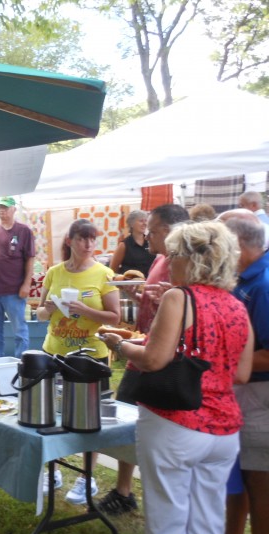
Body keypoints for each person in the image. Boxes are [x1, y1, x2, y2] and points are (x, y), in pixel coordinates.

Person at [100, 219, 253, 534]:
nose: (167, 262)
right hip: (224, 430)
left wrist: (119, 346)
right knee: (207, 520)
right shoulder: (236, 305)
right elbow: (243, 372)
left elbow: (153, 359)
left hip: (176, 424)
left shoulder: (178, 299)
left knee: (167, 520)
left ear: (190, 259)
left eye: (172, 255)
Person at [97, 203, 189, 516]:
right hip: (145, 344)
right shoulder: (162, 257)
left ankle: (147, 495)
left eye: (152, 228)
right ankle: (124, 489)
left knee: (149, 424)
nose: (146, 234)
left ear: (169, 229)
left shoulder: (184, 261)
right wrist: (139, 297)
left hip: (160, 357)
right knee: (127, 416)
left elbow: (185, 305)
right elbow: (161, 300)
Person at [36, 218, 120, 503]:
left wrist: (85, 309)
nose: (88, 245)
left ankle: (87, 477)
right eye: (83, 239)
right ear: (70, 241)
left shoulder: (104, 274)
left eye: (92, 239)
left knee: (91, 418)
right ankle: (55, 469)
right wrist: (47, 309)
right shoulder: (54, 273)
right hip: (55, 352)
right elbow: (40, 315)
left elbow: (115, 318)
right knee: (54, 413)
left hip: (90, 357)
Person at [218, 212, 269, 534]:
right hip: (243, 390)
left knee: (260, 479)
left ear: (237, 243)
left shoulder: (264, 283)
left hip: (260, 394)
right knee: (241, 474)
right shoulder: (246, 277)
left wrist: (218, 357)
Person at [0, 196, 35, 358]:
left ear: (14, 210)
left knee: (19, 329)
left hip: (14, 290)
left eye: (5, 208)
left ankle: (21, 362)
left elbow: (30, 258)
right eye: (0, 208)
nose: (2, 211)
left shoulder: (23, 231)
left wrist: (26, 284)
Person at [109, 209, 154, 275]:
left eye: (145, 221)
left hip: (149, 282)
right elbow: (113, 269)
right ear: (131, 224)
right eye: (141, 221)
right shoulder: (124, 245)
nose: (144, 224)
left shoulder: (151, 242)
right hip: (130, 283)